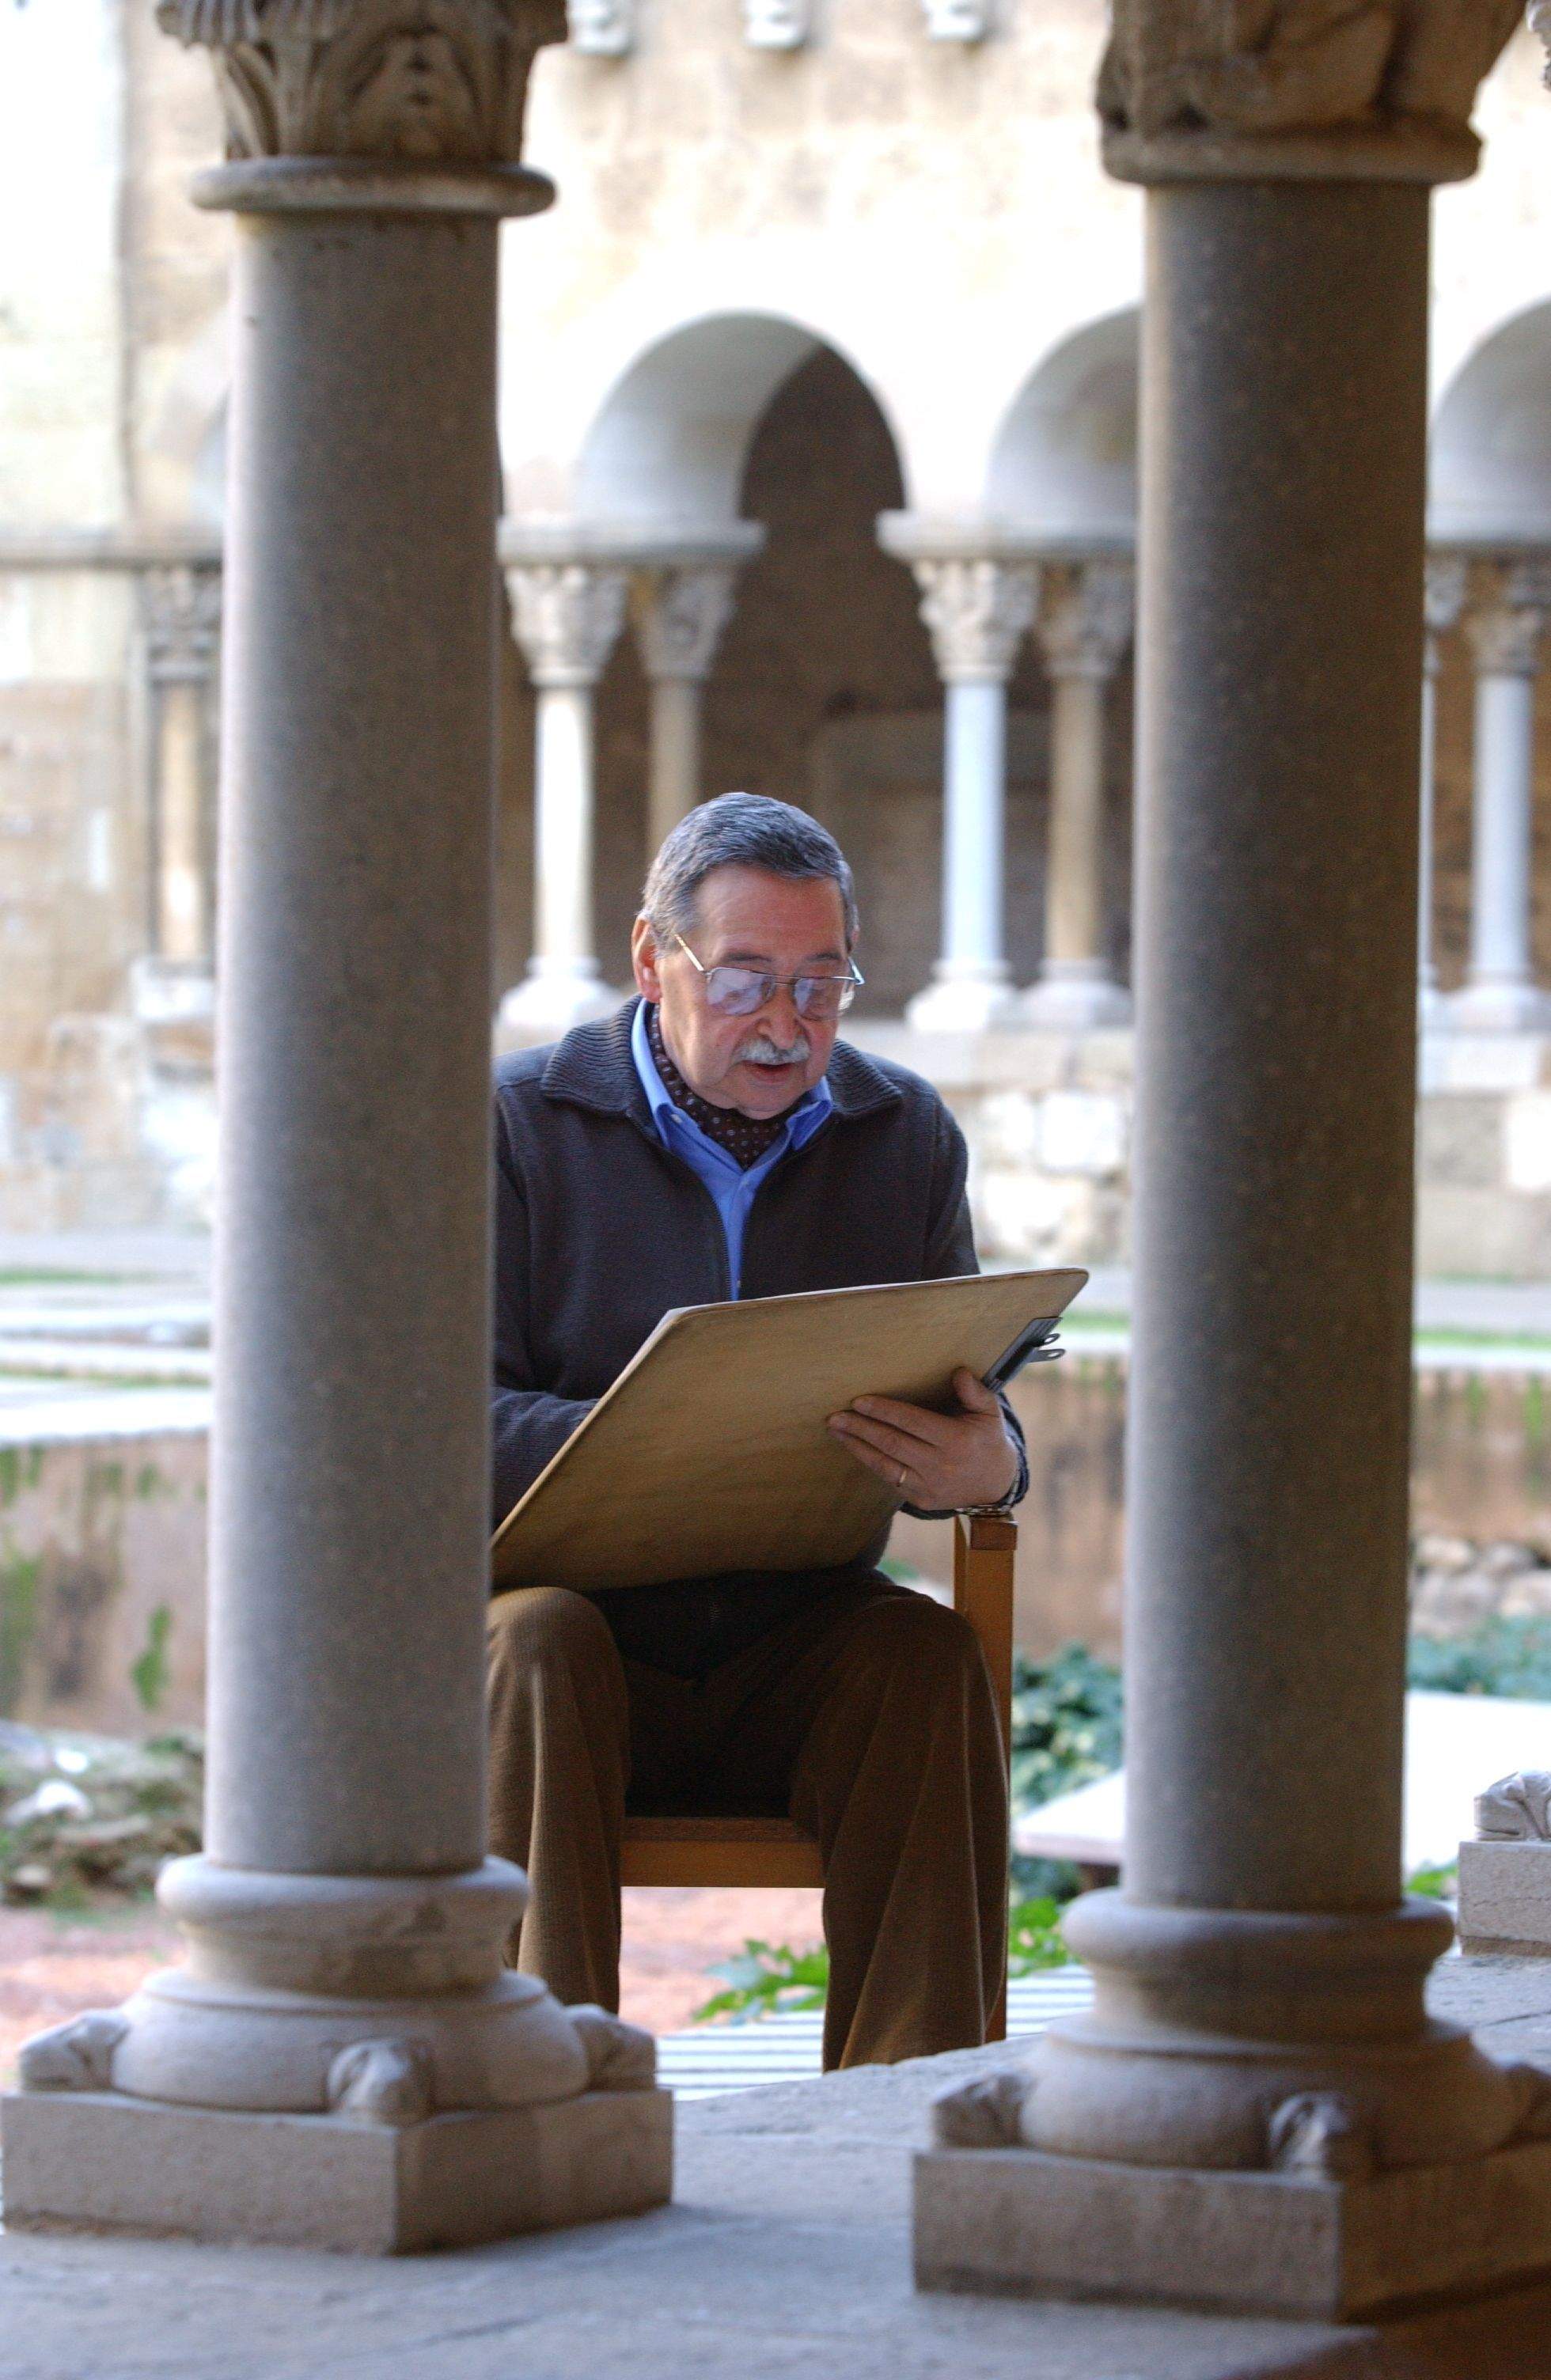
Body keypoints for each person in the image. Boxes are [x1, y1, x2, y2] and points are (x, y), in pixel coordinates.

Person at [487, 793, 1025, 2069]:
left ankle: (909, 2106)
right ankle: (541, 2095)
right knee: (540, 1646)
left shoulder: (904, 1137)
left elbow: (968, 1387)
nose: (788, 1027)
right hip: (572, 1633)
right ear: (649, 961)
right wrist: (662, 1439)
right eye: (744, 983)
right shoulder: (516, 1127)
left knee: (923, 1661)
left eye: (823, 984)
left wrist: (990, 1461)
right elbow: (436, 1422)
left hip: (796, 1635)